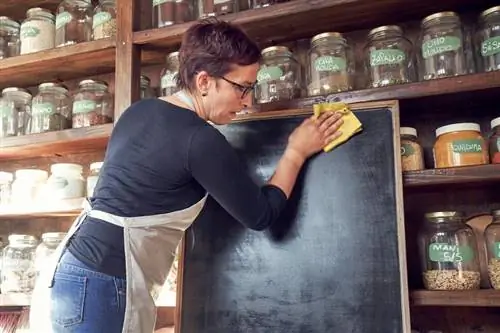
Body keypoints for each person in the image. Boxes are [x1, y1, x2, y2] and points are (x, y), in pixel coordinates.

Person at [29, 18, 344, 333]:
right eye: (242, 87)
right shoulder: (199, 139)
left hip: (68, 272)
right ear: (204, 81)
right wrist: (296, 152)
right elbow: (260, 215)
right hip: (104, 284)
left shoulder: (138, 112)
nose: (249, 100)